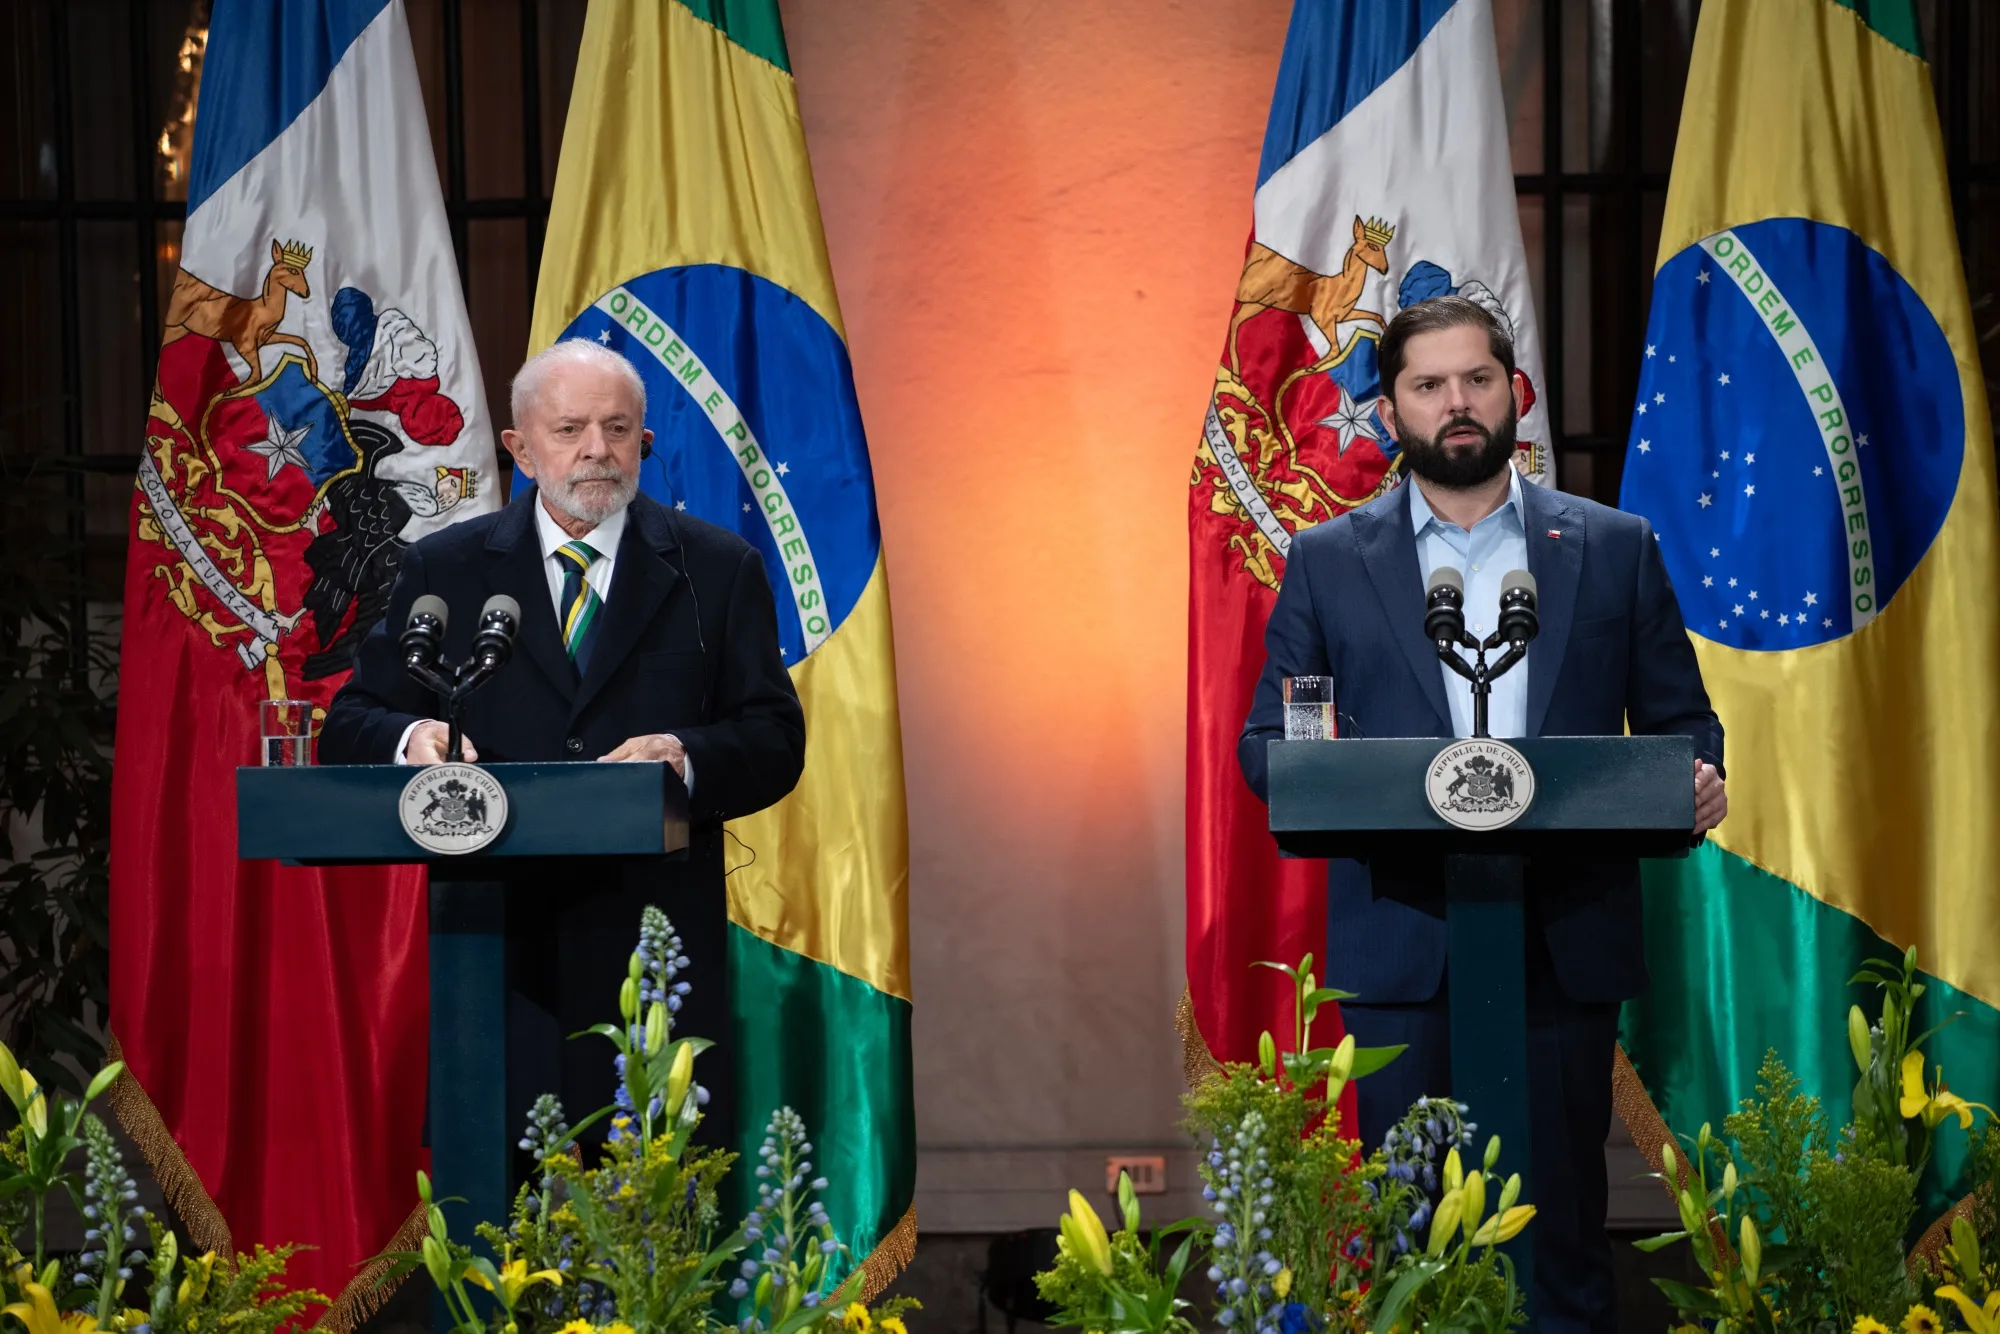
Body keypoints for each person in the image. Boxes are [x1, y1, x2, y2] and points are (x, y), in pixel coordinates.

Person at [1237, 296, 1726, 1334]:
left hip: (1563, 943)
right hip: (1403, 953)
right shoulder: (1328, 558)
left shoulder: (1612, 546)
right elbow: (1267, 742)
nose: (1454, 402)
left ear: (1516, 392)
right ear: (1389, 411)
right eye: (1427, 384)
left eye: (1476, 379)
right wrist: (1331, 780)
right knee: (1411, 1242)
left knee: (1559, 1234)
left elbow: (1684, 727)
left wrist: (1697, 783)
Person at [320, 337, 806, 1142]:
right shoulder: (447, 569)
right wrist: (415, 738)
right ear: (520, 449)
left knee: (655, 1200)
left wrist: (685, 756)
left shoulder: (717, 570)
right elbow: (351, 724)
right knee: (498, 1195)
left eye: (617, 429)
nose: (596, 450)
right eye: (570, 429)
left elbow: (773, 737)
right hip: (493, 950)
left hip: (657, 955)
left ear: (644, 441)